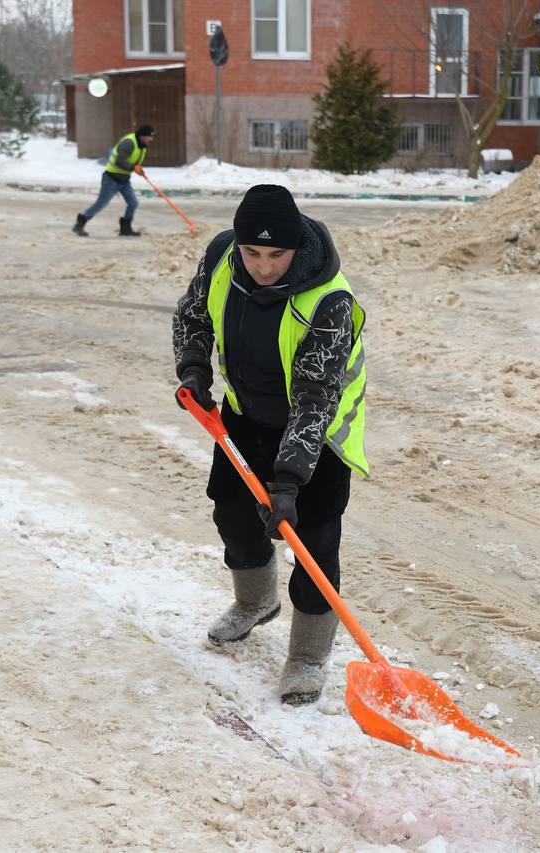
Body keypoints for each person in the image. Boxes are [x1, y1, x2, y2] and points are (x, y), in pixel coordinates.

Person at [171, 184, 368, 705]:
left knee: (314, 544)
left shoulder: (329, 302)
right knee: (233, 515)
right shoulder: (220, 258)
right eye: (251, 253)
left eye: (275, 254)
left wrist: (288, 482)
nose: (262, 266)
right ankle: (256, 602)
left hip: (316, 437)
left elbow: (316, 395)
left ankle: (307, 655)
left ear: (296, 248)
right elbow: (191, 315)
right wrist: (193, 369)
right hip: (243, 418)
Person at [73, 124, 155, 237]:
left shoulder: (142, 146)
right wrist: (133, 168)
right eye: (150, 136)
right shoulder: (129, 143)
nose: (151, 139)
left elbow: (134, 161)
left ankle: (125, 228)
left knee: (133, 203)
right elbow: (119, 161)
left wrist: (138, 169)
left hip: (124, 179)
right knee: (101, 203)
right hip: (111, 178)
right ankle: (80, 223)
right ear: (143, 136)